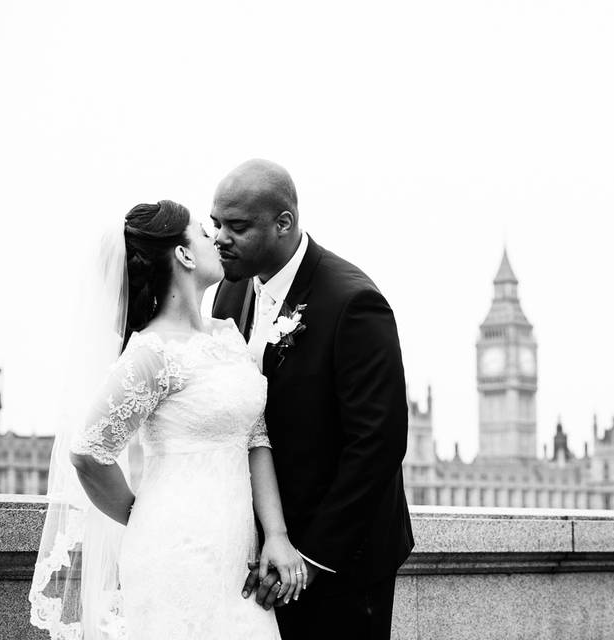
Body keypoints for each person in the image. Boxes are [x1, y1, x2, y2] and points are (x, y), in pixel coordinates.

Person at [30, 200, 303, 639]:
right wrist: (141, 515)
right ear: (184, 254)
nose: (215, 237)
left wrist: (277, 532)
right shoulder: (151, 353)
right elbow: (87, 453)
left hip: (237, 549)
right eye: (202, 230)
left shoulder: (228, 336)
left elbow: (255, 436)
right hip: (173, 550)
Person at [211, 159, 414, 640]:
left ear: (283, 223)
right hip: (254, 553)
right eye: (216, 224)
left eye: (236, 227)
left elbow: (378, 444)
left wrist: (313, 558)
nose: (220, 238)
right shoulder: (227, 291)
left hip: (340, 563)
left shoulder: (353, 303)